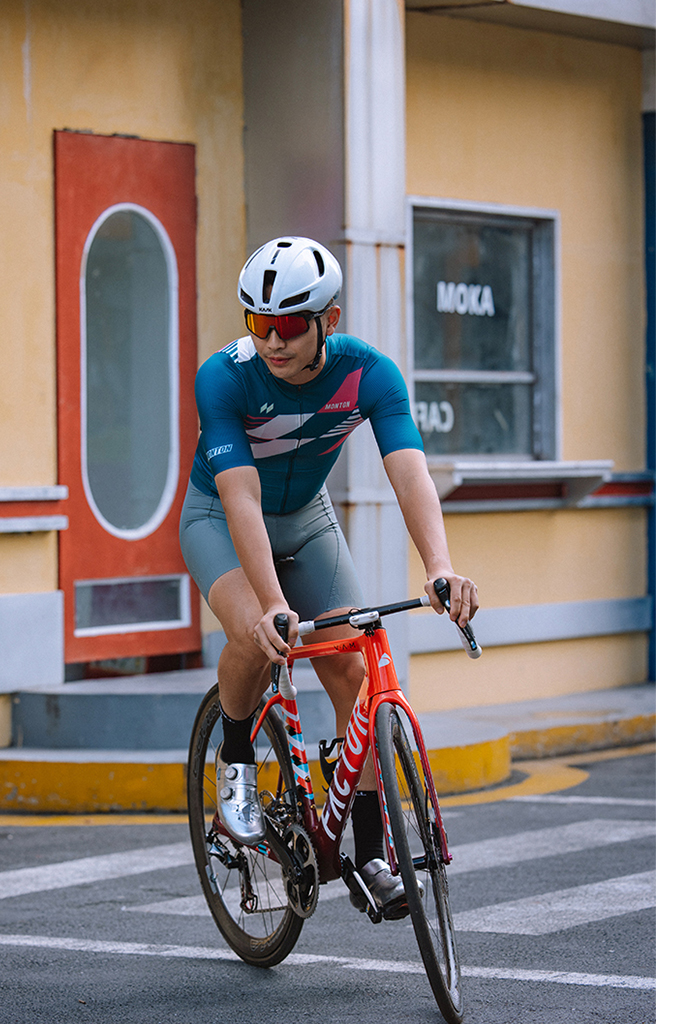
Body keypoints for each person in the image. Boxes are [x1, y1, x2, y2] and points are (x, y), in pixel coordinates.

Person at [179, 236, 478, 919]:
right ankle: (235, 759)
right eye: (259, 322)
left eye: (289, 325)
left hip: (307, 519)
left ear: (329, 320)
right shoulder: (223, 377)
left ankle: (368, 854)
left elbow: (409, 472)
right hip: (219, 517)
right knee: (255, 636)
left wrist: (439, 565)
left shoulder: (369, 373)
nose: (272, 341)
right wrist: (272, 603)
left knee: (355, 673)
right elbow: (240, 496)